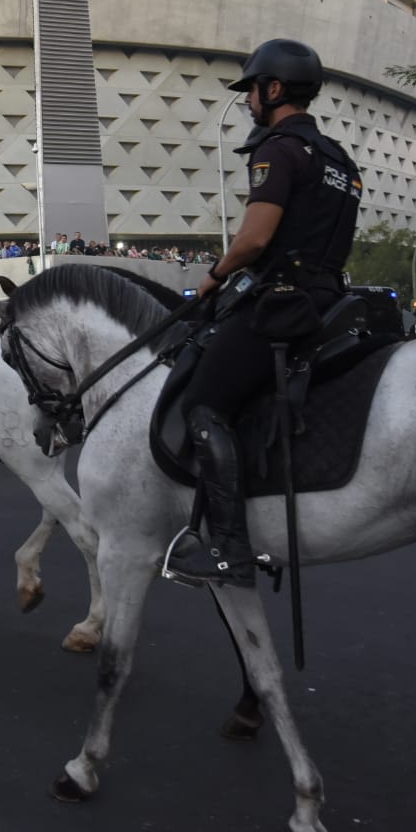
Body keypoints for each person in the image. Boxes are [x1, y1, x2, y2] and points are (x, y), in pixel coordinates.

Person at [162, 38, 361, 588]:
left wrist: (210, 280)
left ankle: (229, 546)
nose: (249, 100)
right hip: (331, 299)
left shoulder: (278, 149)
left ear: (274, 89)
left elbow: (253, 240)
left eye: (252, 89)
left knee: (204, 403)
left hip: (281, 303)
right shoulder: (339, 159)